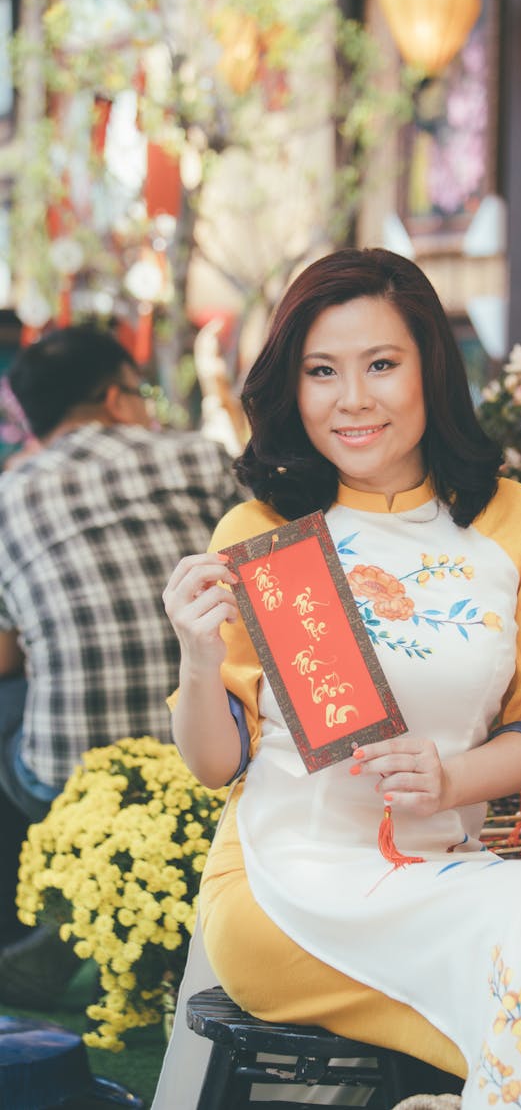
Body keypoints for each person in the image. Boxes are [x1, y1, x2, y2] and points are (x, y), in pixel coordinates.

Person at [157, 250, 521, 1109]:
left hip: (448, 871)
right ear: (292, 386)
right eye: (321, 371)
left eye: (381, 364)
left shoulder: (509, 518)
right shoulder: (265, 531)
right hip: (288, 884)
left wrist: (453, 777)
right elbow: (213, 761)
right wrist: (199, 659)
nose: (353, 398)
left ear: (431, 368)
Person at [0, 324, 247, 1001]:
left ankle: (34, 924)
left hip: (65, 782)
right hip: (217, 760)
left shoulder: (8, 496)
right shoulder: (199, 459)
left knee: (10, 709)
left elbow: (5, 653)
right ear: (116, 398)